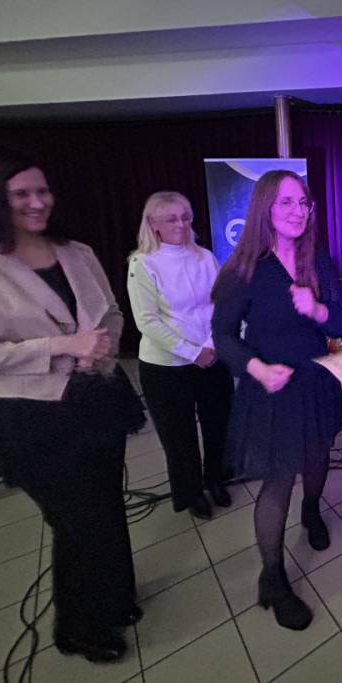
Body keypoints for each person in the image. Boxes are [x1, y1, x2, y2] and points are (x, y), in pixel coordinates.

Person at [0, 141, 143, 662]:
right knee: (76, 523)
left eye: (42, 190)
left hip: (96, 400)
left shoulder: (76, 252)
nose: (37, 202)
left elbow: (111, 314)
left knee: (106, 507)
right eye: (20, 194)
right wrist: (60, 347)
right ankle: (78, 627)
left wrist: (102, 346)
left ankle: (115, 598)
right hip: (31, 417)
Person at [211, 170, 342, 631]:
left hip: (316, 380)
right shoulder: (245, 270)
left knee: (318, 456)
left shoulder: (318, 260)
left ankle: (312, 510)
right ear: (265, 209)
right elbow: (223, 336)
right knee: (278, 481)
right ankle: (272, 578)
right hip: (272, 386)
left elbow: (341, 320)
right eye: (287, 202)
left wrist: (318, 309)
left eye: (303, 202)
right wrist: (255, 368)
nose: (298, 211)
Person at [127, 191, 233, 520]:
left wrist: (211, 345)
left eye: (186, 217)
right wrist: (192, 352)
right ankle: (191, 492)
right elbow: (147, 321)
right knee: (179, 437)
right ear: (153, 224)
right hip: (166, 367)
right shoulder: (142, 263)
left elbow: (220, 303)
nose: (181, 224)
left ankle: (215, 477)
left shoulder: (204, 257)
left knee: (219, 425)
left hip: (212, 357)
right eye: (171, 218)